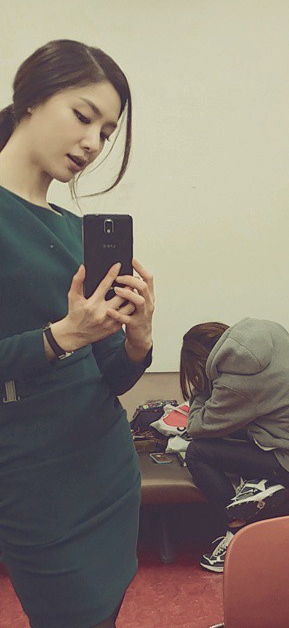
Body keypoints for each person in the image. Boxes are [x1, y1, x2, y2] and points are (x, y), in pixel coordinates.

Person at [0, 40, 155, 628]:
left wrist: (137, 338)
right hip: (35, 478)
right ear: (30, 100)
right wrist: (59, 337)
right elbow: (63, 341)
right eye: (83, 116)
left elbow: (112, 375)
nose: (93, 142)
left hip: (107, 466)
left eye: (107, 132)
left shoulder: (74, 230)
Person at [180, 318, 289, 572]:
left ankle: (237, 532)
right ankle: (259, 484)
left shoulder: (237, 383)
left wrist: (202, 385)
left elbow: (197, 427)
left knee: (197, 452)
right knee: (228, 435)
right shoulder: (269, 331)